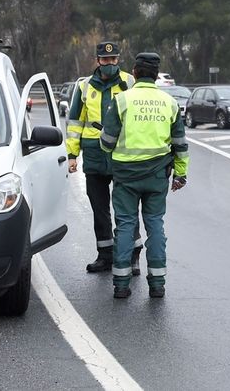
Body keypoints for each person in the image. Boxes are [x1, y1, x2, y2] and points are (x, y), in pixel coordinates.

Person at [101, 52, 189, 299]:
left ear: (135, 73)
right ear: (156, 76)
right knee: (155, 225)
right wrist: (180, 175)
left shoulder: (122, 100)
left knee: (126, 226)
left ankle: (121, 284)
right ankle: (158, 283)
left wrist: (108, 149)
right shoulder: (169, 102)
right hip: (157, 175)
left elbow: (107, 142)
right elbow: (180, 143)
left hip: (126, 176)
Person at [66, 41, 142, 274]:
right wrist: (72, 154)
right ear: (97, 60)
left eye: (113, 59)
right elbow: (75, 122)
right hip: (94, 155)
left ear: (118, 59)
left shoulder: (129, 82)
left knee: (126, 208)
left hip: (123, 153)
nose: (109, 63)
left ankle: (132, 256)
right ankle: (105, 255)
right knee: (99, 208)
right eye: (105, 60)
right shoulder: (84, 86)